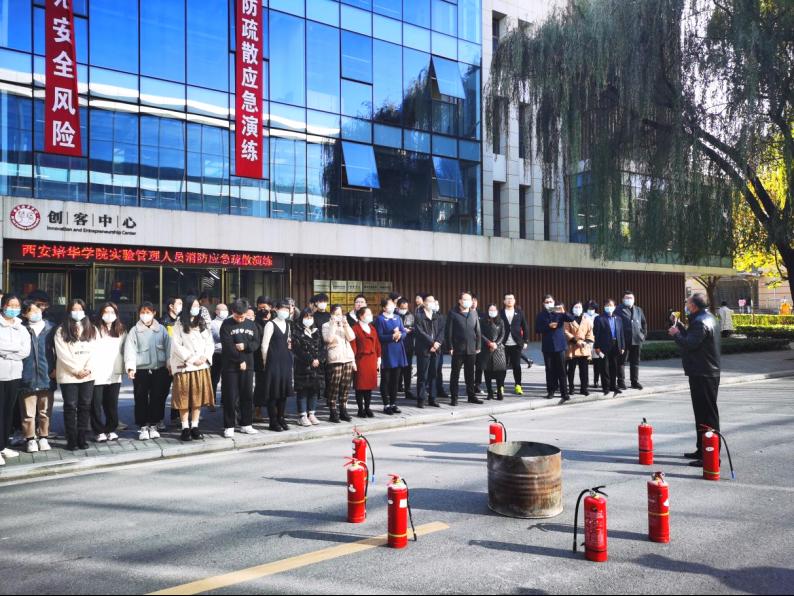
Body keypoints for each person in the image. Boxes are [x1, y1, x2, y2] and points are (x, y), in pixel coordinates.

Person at [669, 293, 721, 467]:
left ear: (693, 305)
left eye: (688, 303)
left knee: (707, 415)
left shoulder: (700, 321)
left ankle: (711, 454)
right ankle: (702, 449)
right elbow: (693, 338)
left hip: (703, 372)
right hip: (703, 371)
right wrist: (680, 326)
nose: (686, 305)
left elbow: (690, 344)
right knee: (702, 414)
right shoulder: (706, 318)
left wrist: (676, 334)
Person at [170, 296, 215, 442]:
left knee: (197, 398)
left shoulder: (202, 322)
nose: (196, 308)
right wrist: (191, 358)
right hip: (185, 366)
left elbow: (209, 342)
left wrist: (205, 357)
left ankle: (195, 426)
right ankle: (185, 427)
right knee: (183, 399)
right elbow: (176, 345)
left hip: (201, 365)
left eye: (197, 306)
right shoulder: (179, 323)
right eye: (193, 305)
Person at [124, 302, 171, 441]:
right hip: (141, 370)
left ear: (154, 313)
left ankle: (154, 425)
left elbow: (169, 347)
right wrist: (131, 367)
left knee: (157, 397)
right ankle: (143, 426)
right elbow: (130, 349)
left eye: (148, 312)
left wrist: (169, 364)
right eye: (143, 312)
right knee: (140, 398)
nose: (145, 315)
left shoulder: (161, 329)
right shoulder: (134, 330)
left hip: (159, 369)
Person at [55, 299, 96, 450]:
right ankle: (71, 439)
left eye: (80, 309)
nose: (77, 312)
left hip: (88, 375)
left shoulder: (91, 329)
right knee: (70, 406)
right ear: (69, 311)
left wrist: (87, 369)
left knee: (85, 406)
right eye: (74, 309)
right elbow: (62, 354)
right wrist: (76, 370)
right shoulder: (61, 330)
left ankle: (82, 437)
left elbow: (95, 352)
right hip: (69, 375)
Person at [220, 299, 260, 438]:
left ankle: (246, 424)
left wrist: (245, 346)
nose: (240, 319)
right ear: (233, 312)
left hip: (248, 366)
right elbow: (228, 346)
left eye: (242, 317)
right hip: (230, 367)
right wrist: (239, 360)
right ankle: (229, 426)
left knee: (247, 395)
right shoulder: (226, 324)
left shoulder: (251, 324)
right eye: (238, 317)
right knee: (230, 397)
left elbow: (256, 343)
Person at [18, 301, 55, 453]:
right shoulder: (20, 328)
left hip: (47, 374)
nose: (35, 313)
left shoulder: (51, 328)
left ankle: (44, 437)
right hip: (26, 375)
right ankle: (30, 439)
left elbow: (58, 350)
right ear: (24, 314)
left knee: (45, 411)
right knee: (28, 413)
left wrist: (56, 369)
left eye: (37, 310)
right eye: (31, 311)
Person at [0, 295, 31, 465]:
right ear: (3, 306)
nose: (13, 308)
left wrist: (6, 353)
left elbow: (25, 351)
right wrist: (13, 349)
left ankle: (3, 445)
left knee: (8, 411)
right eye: (10, 305)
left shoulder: (21, 327)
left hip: (15, 374)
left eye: (16, 305)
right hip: (1, 373)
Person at [90, 302, 126, 443]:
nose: (109, 315)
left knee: (111, 403)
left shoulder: (121, 330)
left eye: (112, 312)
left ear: (116, 314)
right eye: (106, 312)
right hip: (97, 372)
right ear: (101, 314)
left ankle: (111, 429)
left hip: (114, 373)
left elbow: (125, 350)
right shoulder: (93, 329)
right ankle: (98, 431)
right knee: (96, 404)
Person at [260, 301, 294, 432]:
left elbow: (288, 341)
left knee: (283, 392)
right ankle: (272, 421)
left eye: (287, 309)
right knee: (273, 392)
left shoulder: (287, 324)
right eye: (282, 309)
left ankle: (281, 418)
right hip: (273, 360)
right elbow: (265, 345)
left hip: (285, 360)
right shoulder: (270, 324)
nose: (285, 312)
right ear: (276, 309)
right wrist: (265, 361)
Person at [445, 292, 482, 405]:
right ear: (460, 301)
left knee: (470, 374)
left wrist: (478, 345)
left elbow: (478, 330)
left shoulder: (473, 313)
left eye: (469, 300)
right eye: (465, 299)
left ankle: (471, 396)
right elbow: (448, 331)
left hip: (471, 349)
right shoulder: (453, 313)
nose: (467, 302)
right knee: (455, 374)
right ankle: (454, 397)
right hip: (458, 349)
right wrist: (450, 346)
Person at [536, 295, 575, 401]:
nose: (549, 303)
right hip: (547, 346)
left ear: (554, 302)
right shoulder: (541, 315)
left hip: (560, 345)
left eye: (550, 301)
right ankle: (551, 391)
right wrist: (548, 326)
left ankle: (564, 393)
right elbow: (537, 329)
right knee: (549, 370)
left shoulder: (558, 312)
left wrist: (563, 312)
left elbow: (571, 318)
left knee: (562, 370)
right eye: (546, 302)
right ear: (543, 304)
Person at [292, 307, 325, 426]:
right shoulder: (296, 331)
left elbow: (322, 348)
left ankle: (312, 414)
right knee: (302, 391)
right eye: (306, 317)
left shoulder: (316, 331)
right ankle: (302, 415)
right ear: (302, 318)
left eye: (311, 317)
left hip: (317, 367)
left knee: (314, 390)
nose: (309, 319)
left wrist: (319, 359)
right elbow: (297, 349)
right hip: (303, 366)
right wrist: (311, 360)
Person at [322, 305, 356, 423]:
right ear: (331, 314)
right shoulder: (326, 325)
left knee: (345, 386)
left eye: (340, 314)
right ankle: (333, 411)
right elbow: (328, 339)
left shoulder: (344, 325)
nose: (339, 316)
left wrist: (345, 325)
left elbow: (351, 337)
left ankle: (343, 410)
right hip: (335, 358)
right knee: (334, 385)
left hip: (347, 358)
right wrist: (333, 324)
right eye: (336, 314)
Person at [375, 298, 408, 414]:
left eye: (393, 305)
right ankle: (386, 404)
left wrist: (400, 335)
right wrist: (392, 336)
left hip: (398, 350)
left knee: (396, 379)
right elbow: (379, 336)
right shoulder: (380, 319)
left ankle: (393, 403)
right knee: (386, 379)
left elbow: (404, 332)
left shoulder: (398, 317)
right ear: (384, 308)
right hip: (387, 351)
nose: (393, 306)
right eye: (390, 305)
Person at [414, 294, 443, 408]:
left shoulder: (438, 316)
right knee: (422, 375)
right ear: (425, 303)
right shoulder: (419, 316)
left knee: (434, 375)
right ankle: (421, 399)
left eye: (433, 301)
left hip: (436, 349)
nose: (432, 303)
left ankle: (432, 398)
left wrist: (437, 343)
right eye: (430, 301)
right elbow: (420, 332)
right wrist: (431, 343)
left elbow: (441, 331)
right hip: (424, 350)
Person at [351, 306, 380, 418]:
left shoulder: (372, 328)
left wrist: (379, 358)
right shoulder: (355, 328)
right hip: (360, 359)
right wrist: (353, 361)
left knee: (369, 386)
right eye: (368, 314)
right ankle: (360, 409)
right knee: (360, 386)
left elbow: (377, 344)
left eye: (370, 314)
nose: (370, 316)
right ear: (361, 316)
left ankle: (367, 407)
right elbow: (353, 346)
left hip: (372, 359)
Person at [592, 299, 625, 397]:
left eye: (611, 305)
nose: (609, 307)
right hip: (603, 346)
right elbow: (596, 334)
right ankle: (605, 387)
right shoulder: (599, 318)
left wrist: (622, 346)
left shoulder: (618, 318)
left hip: (616, 345)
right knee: (604, 367)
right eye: (607, 305)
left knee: (614, 367)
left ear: (614, 307)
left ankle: (613, 386)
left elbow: (621, 333)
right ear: (604, 307)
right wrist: (597, 347)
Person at [615, 291, 647, 390]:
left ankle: (634, 382)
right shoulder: (618, 310)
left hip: (636, 340)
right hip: (624, 340)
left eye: (631, 298)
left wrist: (643, 335)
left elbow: (643, 323)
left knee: (635, 361)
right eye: (627, 298)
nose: (629, 300)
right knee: (621, 361)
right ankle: (621, 382)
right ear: (623, 299)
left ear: (634, 299)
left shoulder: (638, 309)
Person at [500, 292, 530, 395]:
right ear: (504, 301)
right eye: (507, 298)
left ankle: (518, 385)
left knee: (517, 366)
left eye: (511, 298)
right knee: (502, 366)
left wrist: (525, 340)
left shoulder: (519, 312)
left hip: (516, 343)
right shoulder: (500, 312)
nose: (509, 300)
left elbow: (525, 327)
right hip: (503, 344)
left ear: (514, 300)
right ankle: (500, 386)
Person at [565, 301, 594, 397]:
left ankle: (584, 388)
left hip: (584, 347)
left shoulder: (586, 319)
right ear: (572, 308)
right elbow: (566, 332)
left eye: (579, 307)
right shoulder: (568, 319)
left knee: (584, 370)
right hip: (572, 346)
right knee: (571, 370)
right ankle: (571, 388)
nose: (578, 309)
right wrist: (575, 341)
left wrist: (586, 341)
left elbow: (590, 333)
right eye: (576, 307)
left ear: (582, 309)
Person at [253, 296, 274, 422]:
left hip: (275, 356)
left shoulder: (276, 319)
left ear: (270, 307)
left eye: (264, 307)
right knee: (260, 384)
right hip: (259, 357)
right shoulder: (256, 321)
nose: (262, 310)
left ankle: (275, 409)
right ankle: (257, 409)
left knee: (274, 384)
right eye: (259, 307)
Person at [162, 296, 182, 428]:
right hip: (166, 363)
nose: (181, 306)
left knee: (179, 390)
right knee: (162, 392)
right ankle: (158, 419)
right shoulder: (163, 322)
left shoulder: (182, 321)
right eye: (179, 303)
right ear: (171, 306)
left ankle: (177, 416)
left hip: (179, 361)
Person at [480, 304, 507, 400]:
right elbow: (480, 334)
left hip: (498, 349)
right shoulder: (483, 321)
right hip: (486, 349)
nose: (492, 311)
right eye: (490, 310)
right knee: (487, 372)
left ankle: (499, 391)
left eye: (494, 310)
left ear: (497, 311)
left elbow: (502, 334)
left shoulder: (501, 321)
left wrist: (496, 344)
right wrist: (489, 343)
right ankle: (490, 392)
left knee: (500, 372)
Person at [396, 297, 416, 400]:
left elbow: (416, 328)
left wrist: (411, 330)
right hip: (397, 346)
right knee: (397, 369)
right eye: (402, 308)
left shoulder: (411, 316)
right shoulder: (394, 316)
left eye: (406, 308)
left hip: (408, 346)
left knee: (407, 369)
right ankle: (396, 388)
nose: (404, 309)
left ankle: (408, 390)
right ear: (398, 307)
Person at [210, 303, 228, 404]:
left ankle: (224, 400)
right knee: (214, 378)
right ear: (216, 311)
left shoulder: (230, 322)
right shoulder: (212, 323)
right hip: (216, 353)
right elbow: (217, 337)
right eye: (222, 310)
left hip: (227, 353)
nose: (225, 312)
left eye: (226, 309)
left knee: (226, 378)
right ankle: (212, 400)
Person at [584, 301, 601, 389]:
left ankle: (596, 381)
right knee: (585, 363)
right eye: (589, 308)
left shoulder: (598, 316)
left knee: (597, 363)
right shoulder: (583, 316)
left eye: (592, 308)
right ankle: (585, 381)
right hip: (586, 342)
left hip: (596, 341)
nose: (591, 309)